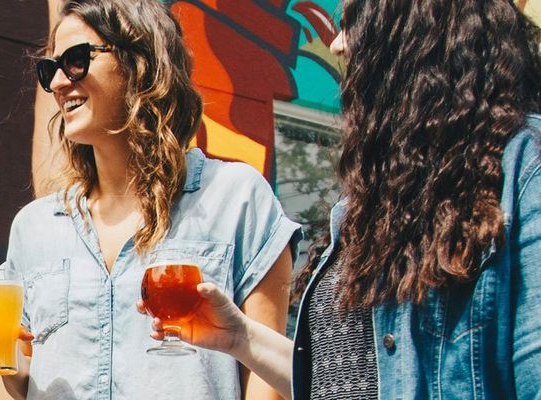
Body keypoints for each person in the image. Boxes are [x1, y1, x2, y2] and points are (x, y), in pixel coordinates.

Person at [134, 0, 541, 399]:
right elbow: (337, 379)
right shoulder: (370, 204)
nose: (338, 45)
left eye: (354, 21)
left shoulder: (523, 168)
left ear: (417, 32)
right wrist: (239, 336)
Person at [0, 0, 301, 398]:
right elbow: (31, 384)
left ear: (141, 62)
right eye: (49, 70)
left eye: (76, 60)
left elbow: (267, 385)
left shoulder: (236, 198)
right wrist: (12, 365)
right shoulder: (35, 227)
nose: (57, 84)